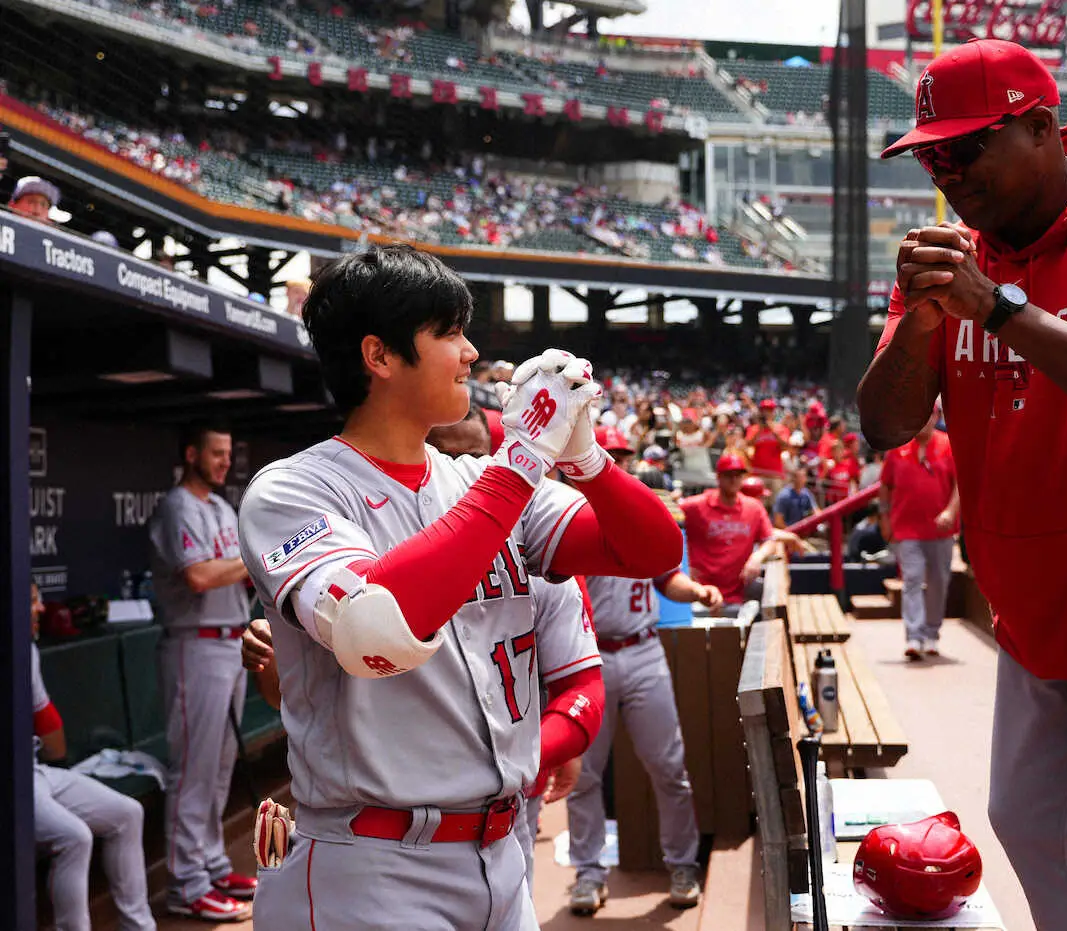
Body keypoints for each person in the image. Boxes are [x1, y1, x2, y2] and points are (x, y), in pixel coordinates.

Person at [236, 244, 682, 931]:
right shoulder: (295, 488)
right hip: (375, 864)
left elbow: (653, 547)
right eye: (447, 332)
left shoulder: (474, 480)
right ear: (379, 356)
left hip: (502, 855)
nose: (471, 352)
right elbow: (374, 629)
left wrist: (585, 458)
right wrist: (522, 462)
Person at [858, 38, 1067, 931]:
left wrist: (999, 310)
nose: (948, 172)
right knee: (1029, 824)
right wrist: (919, 321)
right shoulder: (956, 256)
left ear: (1043, 127)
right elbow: (887, 423)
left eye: (967, 148)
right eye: (931, 155)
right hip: (1032, 607)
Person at [567, 432, 723, 916]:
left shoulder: (644, 516)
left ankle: (682, 865)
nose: (616, 464)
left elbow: (665, 579)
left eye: (622, 458)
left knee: (669, 766)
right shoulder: (573, 517)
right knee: (584, 775)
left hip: (642, 650)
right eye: (609, 456)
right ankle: (589, 874)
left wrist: (695, 592)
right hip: (588, 657)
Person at [147, 421, 256, 921]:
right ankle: (185, 883)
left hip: (229, 641)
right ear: (191, 454)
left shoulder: (221, 507)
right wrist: (253, 557)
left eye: (228, 454)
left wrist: (248, 563)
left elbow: (233, 572)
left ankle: (210, 863)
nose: (223, 462)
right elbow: (199, 576)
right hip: (195, 645)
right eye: (215, 453)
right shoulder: (178, 506)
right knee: (192, 770)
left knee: (217, 770)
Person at [31, 582, 157, 931]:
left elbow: (48, 726)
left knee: (127, 814)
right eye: (30, 602)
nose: (40, 609)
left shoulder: (26, 650)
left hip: (36, 769)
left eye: (39, 600)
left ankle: (139, 927)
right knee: (74, 836)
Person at [879, 412, 959, 659]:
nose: (923, 420)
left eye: (929, 415)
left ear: (936, 417)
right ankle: (914, 635)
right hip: (907, 528)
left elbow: (961, 484)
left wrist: (950, 511)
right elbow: (885, 484)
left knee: (938, 582)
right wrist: (884, 518)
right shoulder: (897, 447)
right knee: (912, 579)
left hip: (940, 529)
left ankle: (932, 634)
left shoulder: (948, 444)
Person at [681, 454, 800, 609]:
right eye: (728, 475)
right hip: (702, 594)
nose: (733, 480)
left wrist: (757, 557)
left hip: (737, 594)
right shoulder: (696, 505)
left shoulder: (753, 507)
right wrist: (683, 565)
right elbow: (666, 517)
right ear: (718, 477)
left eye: (738, 475)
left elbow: (769, 539)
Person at [773, 465, 818, 530]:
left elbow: (816, 512)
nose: (802, 479)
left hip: (801, 532)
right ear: (793, 478)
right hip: (786, 532)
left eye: (803, 476)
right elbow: (778, 522)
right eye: (799, 477)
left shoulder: (806, 493)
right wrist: (793, 534)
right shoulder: (784, 496)